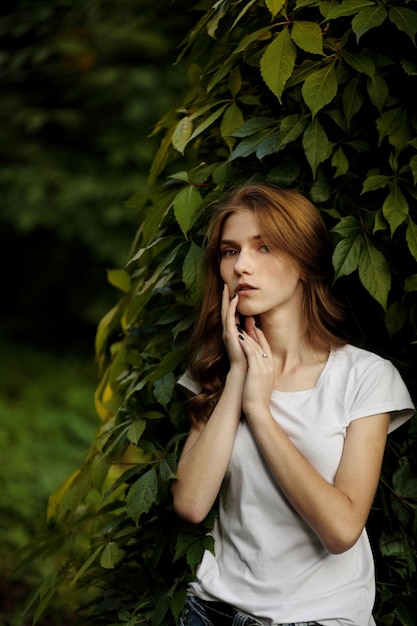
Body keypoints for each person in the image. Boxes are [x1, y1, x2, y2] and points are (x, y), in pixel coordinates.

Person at [172, 184, 414, 626]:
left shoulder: (365, 377)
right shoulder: (216, 369)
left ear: (303, 261)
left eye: (263, 247)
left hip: (320, 619)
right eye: (230, 251)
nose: (241, 266)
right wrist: (240, 374)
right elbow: (191, 503)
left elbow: (341, 530)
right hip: (212, 612)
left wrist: (260, 412)